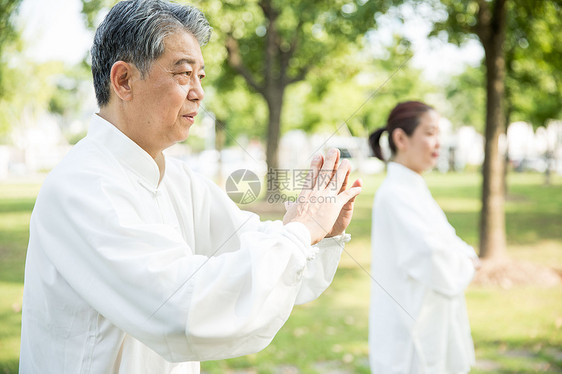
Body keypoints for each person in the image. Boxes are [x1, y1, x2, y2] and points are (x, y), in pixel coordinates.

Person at [18, 1, 362, 373]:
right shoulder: (81, 188)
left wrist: (318, 235)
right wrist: (302, 230)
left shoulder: (178, 178)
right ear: (123, 81)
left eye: (201, 76)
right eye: (183, 74)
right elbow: (179, 310)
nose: (199, 92)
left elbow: (253, 249)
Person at [368, 101, 479, 373]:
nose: (437, 143)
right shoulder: (395, 194)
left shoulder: (413, 187)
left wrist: (464, 255)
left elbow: (449, 240)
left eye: (439, 133)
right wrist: (468, 261)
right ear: (401, 138)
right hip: (411, 331)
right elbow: (431, 256)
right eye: (430, 133)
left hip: (432, 321)